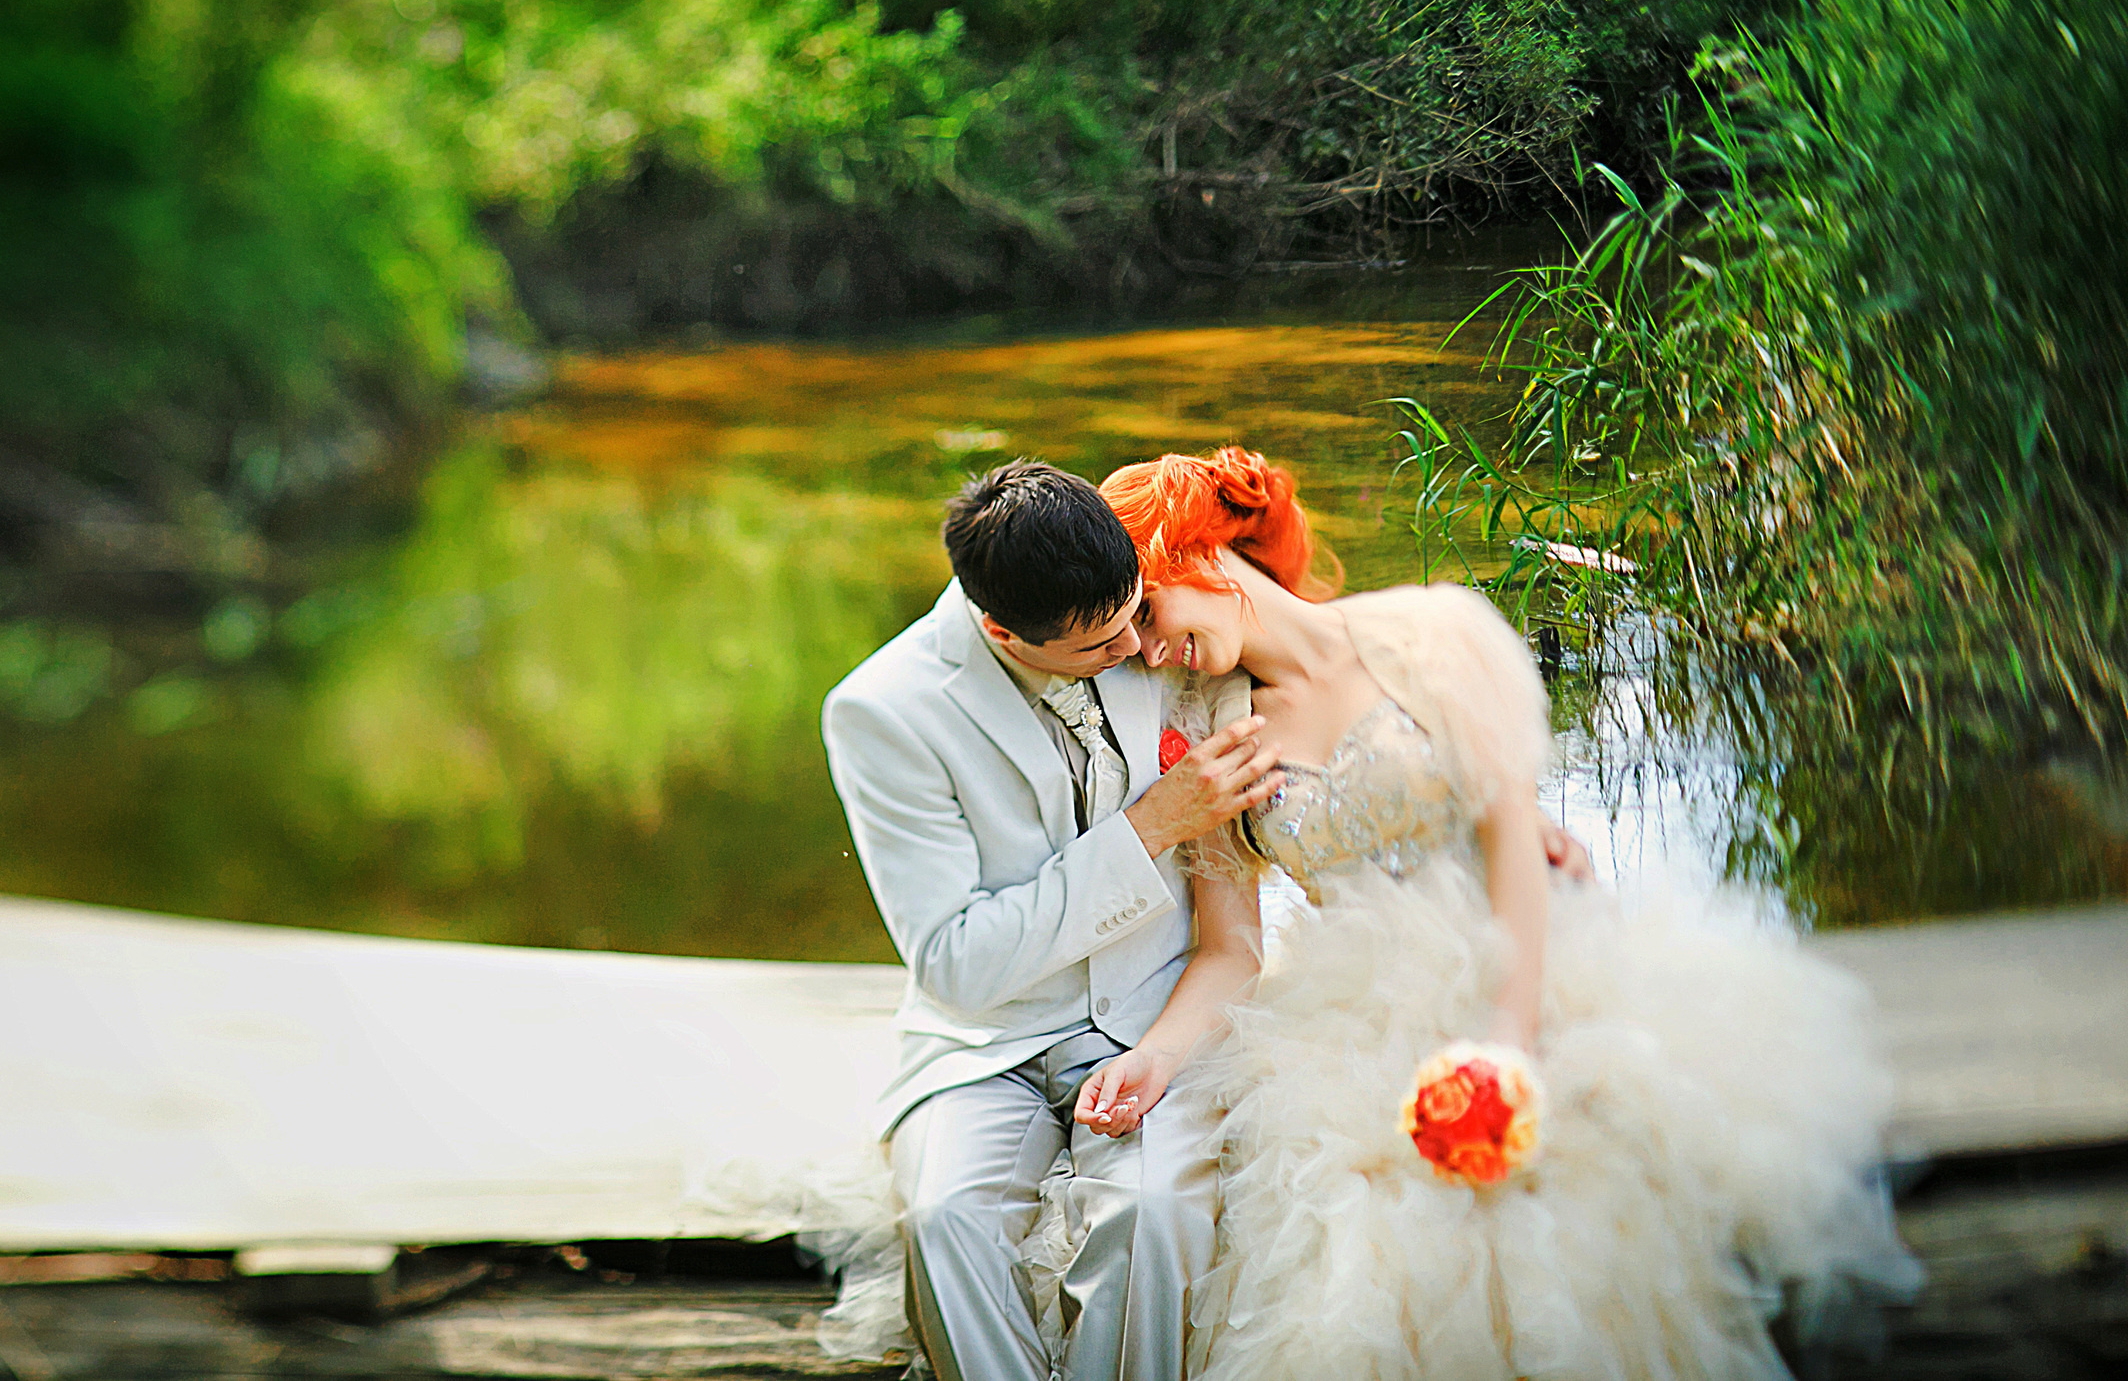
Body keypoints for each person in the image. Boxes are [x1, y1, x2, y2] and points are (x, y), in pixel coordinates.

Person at [1089, 446, 1919, 1381]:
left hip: (1521, 959)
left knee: (1581, 1198)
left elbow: (1514, 840)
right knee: (1354, 1246)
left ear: (1195, 551)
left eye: (1148, 615)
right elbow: (1233, 945)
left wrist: (1507, 1041)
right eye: (1129, 641)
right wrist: (1155, 1055)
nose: (1151, 654)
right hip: (1345, 1016)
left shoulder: (1430, 632)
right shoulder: (1204, 731)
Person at [821, 459, 1594, 1381]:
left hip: (1403, 968)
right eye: (1110, 639)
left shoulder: (1251, 639)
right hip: (1011, 1031)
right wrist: (1152, 829)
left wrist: (1486, 796)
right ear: (1004, 630)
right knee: (946, 1218)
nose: (1135, 654)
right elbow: (971, 959)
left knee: (1164, 1212)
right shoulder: (904, 710)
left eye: (1138, 612)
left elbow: (1168, 512)